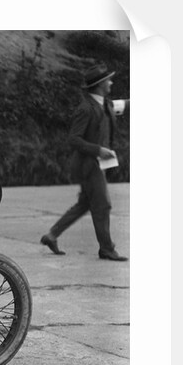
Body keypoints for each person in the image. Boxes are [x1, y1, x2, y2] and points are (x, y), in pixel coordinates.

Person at [40, 63, 130, 261]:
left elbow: (125, 104)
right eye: (108, 80)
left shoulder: (105, 103)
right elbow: (73, 138)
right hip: (89, 166)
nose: (111, 82)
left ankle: (51, 235)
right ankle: (107, 248)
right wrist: (98, 150)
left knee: (84, 204)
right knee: (103, 205)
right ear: (100, 85)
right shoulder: (86, 109)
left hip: (97, 165)